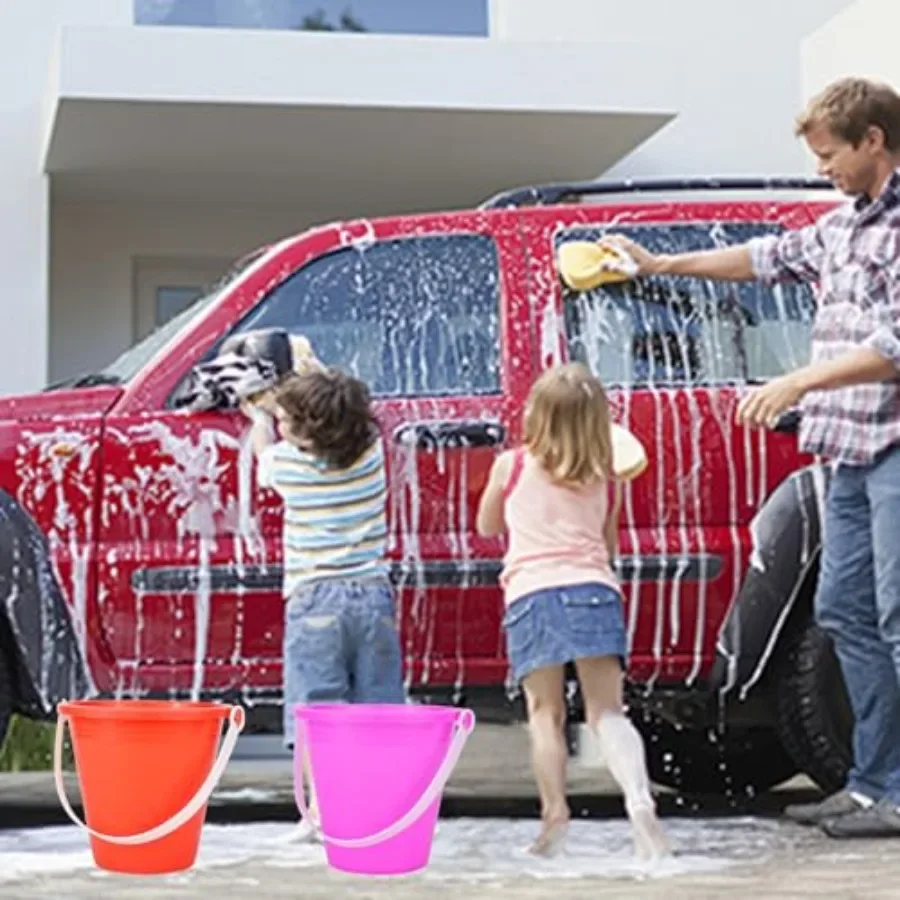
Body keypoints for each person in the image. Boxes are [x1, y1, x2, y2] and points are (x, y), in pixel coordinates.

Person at [598, 76, 900, 839]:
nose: (823, 168)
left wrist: (797, 378)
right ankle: (874, 786)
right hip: (847, 451)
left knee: (897, 621)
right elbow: (761, 259)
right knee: (844, 616)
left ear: (873, 141)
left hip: (895, 446)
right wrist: (655, 267)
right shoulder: (842, 226)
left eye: (830, 154)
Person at [476, 362, 671, 860]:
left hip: (532, 594)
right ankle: (639, 799)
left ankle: (554, 817)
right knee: (608, 713)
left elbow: (487, 525)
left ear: (536, 416)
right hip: (593, 590)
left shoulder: (512, 465)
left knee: (546, 715)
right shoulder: (607, 473)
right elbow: (605, 543)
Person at [243, 365, 407, 839]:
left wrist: (258, 419)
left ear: (304, 435)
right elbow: (345, 413)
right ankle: (384, 809)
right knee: (378, 707)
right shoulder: (372, 455)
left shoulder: (287, 467)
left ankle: (320, 813)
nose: (281, 423)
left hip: (314, 601)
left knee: (318, 709)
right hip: (372, 597)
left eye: (288, 420)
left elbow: (263, 453)